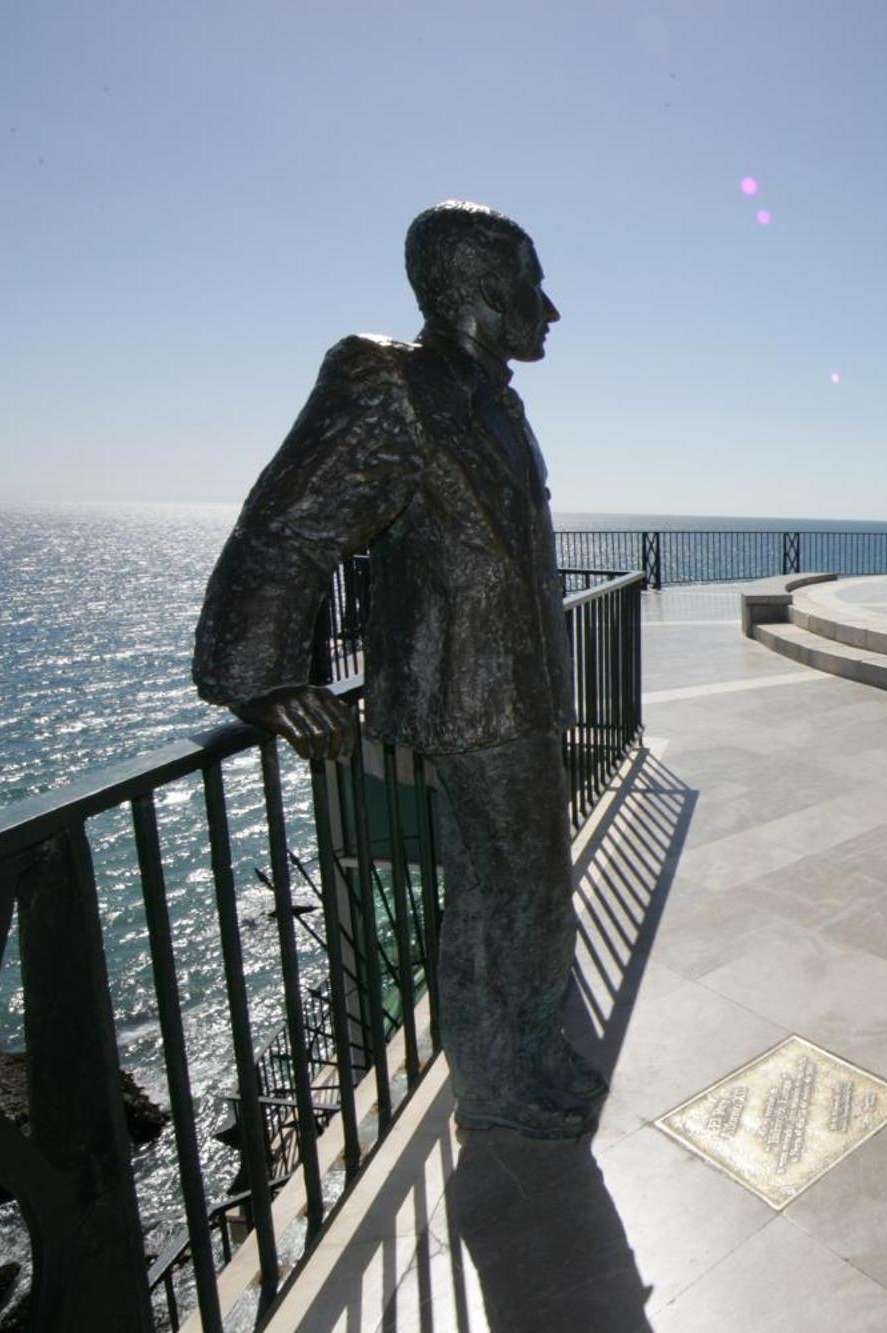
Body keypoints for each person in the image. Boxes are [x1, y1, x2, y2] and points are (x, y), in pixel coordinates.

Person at [194, 201, 605, 1138]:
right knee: (506, 891)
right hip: (463, 692)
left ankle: (527, 1050)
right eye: (532, 284)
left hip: (522, 688)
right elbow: (290, 528)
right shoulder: (389, 383)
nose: (550, 308)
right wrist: (265, 679)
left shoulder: (496, 402)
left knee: (525, 888)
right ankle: (499, 1082)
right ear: (479, 293)